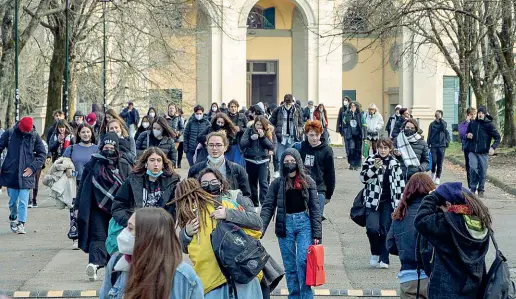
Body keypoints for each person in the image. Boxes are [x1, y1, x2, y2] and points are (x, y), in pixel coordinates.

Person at [174, 178, 263, 298]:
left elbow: (188, 249)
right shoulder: (226, 203)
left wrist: (186, 234)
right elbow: (255, 231)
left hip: (211, 281)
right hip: (245, 272)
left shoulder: (189, 217)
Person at [100, 207, 204, 299]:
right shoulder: (117, 264)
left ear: (148, 236)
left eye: (130, 228)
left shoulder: (184, 276)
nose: (124, 232)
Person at [261, 148, 321, 299]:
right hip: (284, 224)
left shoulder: (308, 181)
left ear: (298, 162)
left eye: (292, 161)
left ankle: (306, 295)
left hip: (304, 223)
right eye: (286, 162)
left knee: (302, 261)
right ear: (282, 164)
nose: (289, 164)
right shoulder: (277, 184)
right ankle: (294, 295)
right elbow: (268, 207)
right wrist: (259, 229)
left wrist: (317, 234)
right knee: (290, 265)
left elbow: (315, 209)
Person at [415, 182, 491, 298]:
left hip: (444, 290)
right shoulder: (481, 222)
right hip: (474, 290)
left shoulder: (448, 224)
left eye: (441, 208)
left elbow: (421, 219)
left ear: (448, 204)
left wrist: (434, 196)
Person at [75, 133, 131, 280]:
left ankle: (116, 265)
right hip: (96, 207)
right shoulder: (93, 164)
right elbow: (82, 187)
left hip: (119, 208)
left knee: (117, 238)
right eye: (106, 147)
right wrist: (77, 207)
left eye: (112, 147)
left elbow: (131, 185)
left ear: (117, 149)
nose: (108, 150)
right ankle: (94, 265)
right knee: (98, 236)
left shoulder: (124, 165)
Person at [387, 173, 435, 298]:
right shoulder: (436, 213)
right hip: (433, 277)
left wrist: (405, 249)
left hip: (408, 277)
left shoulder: (399, 214)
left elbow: (390, 245)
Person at [360, 137, 405, 269]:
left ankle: (384, 258)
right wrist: (374, 167)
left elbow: (400, 185)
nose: (383, 150)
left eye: (386, 148)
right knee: (372, 229)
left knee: (385, 229)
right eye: (381, 147)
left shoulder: (394, 163)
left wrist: (400, 203)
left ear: (390, 149)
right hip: (373, 200)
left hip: (389, 202)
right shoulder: (370, 160)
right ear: (377, 148)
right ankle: (375, 252)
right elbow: (363, 178)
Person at [112, 147, 181, 227]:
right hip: (136, 227)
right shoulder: (133, 180)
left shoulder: (172, 183)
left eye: (159, 160)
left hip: (160, 229)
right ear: (146, 163)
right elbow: (118, 206)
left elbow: (174, 210)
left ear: (163, 164)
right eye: (152, 160)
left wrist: (164, 226)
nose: (155, 164)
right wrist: (130, 223)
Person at [0, 117, 46, 234]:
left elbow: (42, 154)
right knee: (13, 201)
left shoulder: (34, 136)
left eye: (28, 131)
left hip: (26, 173)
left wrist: (33, 167)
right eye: (25, 131)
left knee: (23, 201)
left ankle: (21, 223)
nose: (27, 133)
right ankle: (13, 217)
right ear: (20, 126)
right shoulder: (9, 133)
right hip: (11, 173)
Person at [189, 131, 251, 198]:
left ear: (225, 147)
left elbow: (246, 198)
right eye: (211, 145)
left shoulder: (238, 170)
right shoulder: (195, 170)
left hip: (230, 207)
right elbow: (190, 195)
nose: (214, 148)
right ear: (206, 146)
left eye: (218, 145)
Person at [294, 120, 335, 218]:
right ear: (307, 134)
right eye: (311, 135)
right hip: (302, 188)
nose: (314, 138)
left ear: (321, 134)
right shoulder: (301, 148)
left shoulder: (327, 151)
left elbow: (330, 174)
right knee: (302, 220)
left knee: (316, 221)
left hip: (319, 189)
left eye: (317, 135)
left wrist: (328, 194)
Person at [465, 106, 501, 197]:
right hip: (472, 150)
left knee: (483, 171)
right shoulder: (473, 123)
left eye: (482, 113)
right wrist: (467, 135)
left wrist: (493, 147)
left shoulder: (489, 125)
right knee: (473, 168)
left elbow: (498, 137)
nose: (480, 114)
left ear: (485, 114)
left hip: (483, 152)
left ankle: (481, 189)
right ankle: (473, 188)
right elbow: (467, 134)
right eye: (479, 113)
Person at [240, 116, 275, 207]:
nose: (258, 126)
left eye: (260, 125)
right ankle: (254, 204)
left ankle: (264, 204)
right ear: (254, 124)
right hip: (250, 160)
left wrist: (263, 137)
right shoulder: (248, 131)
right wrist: (251, 139)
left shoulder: (268, 131)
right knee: (252, 183)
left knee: (263, 183)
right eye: (257, 124)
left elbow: (271, 146)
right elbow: (242, 144)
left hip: (263, 160)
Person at [269, 94, 304, 177]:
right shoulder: (278, 110)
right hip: (281, 137)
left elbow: (300, 123)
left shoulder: (297, 110)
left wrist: (299, 130)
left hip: (292, 137)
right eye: (286, 103)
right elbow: (271, 122)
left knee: (292, 156)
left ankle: (292, 173)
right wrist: (274, 129)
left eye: (289, 103)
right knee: (280, 156)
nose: (288, 105)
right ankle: (280, 172)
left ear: (292, 102)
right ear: (284, 102)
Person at [427, 110, 450, 185]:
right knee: (434, 160)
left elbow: (444, 128)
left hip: (441, 145)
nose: (438, 115)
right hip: (433, 145)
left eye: (439, 114)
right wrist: (428, 144)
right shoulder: (432, 124)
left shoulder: (443, 123)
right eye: (437, 114)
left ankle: (438, 177)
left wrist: (441, 120)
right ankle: (433, 172)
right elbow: (429, 134)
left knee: (440, 162)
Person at [458, 107, 477, 187]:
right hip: (468, 148)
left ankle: (476, 184)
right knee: (469, 167)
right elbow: (462, 134)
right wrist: (468, 122)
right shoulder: (463, 124)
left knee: (476, 167)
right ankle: (471, 185)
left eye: (474, 114)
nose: (473, 116)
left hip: (477, 147)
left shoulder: (478, 123)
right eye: (471, 114)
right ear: (467, 115)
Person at [344, 101, 366, 170]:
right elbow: (346, 121)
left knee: (358, 150)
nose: (353, 107)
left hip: (358, 135)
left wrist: (364, 136)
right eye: (351, 106)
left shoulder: (360, 114)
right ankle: (351, 164)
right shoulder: (347, 113)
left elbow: (364, 125)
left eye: (354, 106)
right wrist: (350, 113)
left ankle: (357, 164)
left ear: (356, 107)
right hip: (350, 135)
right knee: (351, 149)